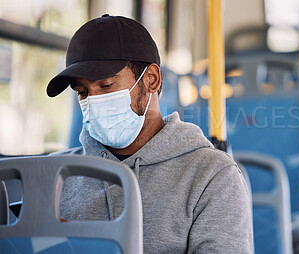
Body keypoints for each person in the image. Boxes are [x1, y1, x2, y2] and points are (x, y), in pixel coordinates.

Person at [47, 14, 253, 253]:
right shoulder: (55, 175)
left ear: (151, 79)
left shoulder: (211, 175)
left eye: (106, 86)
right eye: (82, 92)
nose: (93, 101)